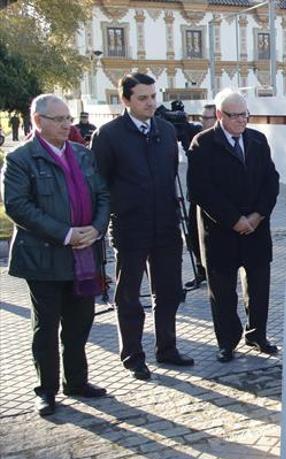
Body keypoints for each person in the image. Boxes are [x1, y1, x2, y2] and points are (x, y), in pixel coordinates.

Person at [1, 94, 110, 416]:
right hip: (44, 258)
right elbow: (18, 206)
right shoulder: (22, 159)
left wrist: (96, 227)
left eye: (68, 119)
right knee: (46, 327)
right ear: (38, 121)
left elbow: (103, 194)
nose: (67, 125)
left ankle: (76, 381)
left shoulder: (82, 154)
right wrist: (65, 234)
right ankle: (46, 390)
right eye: (59, 119)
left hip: (85, 254)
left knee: (80, 324)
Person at [91, 72, 194, 380]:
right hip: (129, 227)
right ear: (126, 100)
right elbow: (99, 185)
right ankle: (133, 355)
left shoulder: (164, 130)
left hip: (165, 226)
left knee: (170, 291)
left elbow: (171, 175)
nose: (151, 103)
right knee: (129, 294)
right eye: (143, 98)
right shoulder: (108, 135)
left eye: (153, 96)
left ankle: (167, 348)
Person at [188, 89, 280, 363]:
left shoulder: (258, 140)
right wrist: (234, 219)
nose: (242, 120)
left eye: (245, 114)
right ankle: (227, 341)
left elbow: (271, 182)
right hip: (220, 232)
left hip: (256, 229)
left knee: (259, 285)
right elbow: (201, 190)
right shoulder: (202, 144)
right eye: (235, 115)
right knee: (223, 291)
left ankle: (258, 334)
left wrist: (257, 215)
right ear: (219, 115)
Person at [183, 103, 217, 291]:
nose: (202, 122)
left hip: (217, 203)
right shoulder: (197, 139)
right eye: (202, 118)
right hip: (196, 198)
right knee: (193, 235)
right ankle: (200, 269)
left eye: (207, 118)